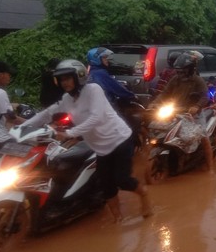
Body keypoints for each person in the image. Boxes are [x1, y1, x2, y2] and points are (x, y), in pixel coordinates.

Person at [21, 59, 152, 222]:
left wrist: (70, 133)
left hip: (119, 140)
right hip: (101, 148)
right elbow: (46, 114)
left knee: (122, 180)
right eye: (61, 80)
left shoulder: (93, 90)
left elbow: (95, 118)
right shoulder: (67, 99)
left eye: (67, 78)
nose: (64, 83)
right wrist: (21, 128)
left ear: (79, 77)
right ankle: (118, 220)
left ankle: (144, 195)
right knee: (107, 187)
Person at [154, 51, 214, 170]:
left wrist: (197, 106)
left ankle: (210, 166)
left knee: (203, 137)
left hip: (193, 114)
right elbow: (165, 93)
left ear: (190, 69)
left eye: (182, 70)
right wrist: (155, 103)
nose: (179, 73)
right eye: (178, 70)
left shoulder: (198, 81)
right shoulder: (174, 79)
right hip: (175, 111)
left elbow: (205, 96)